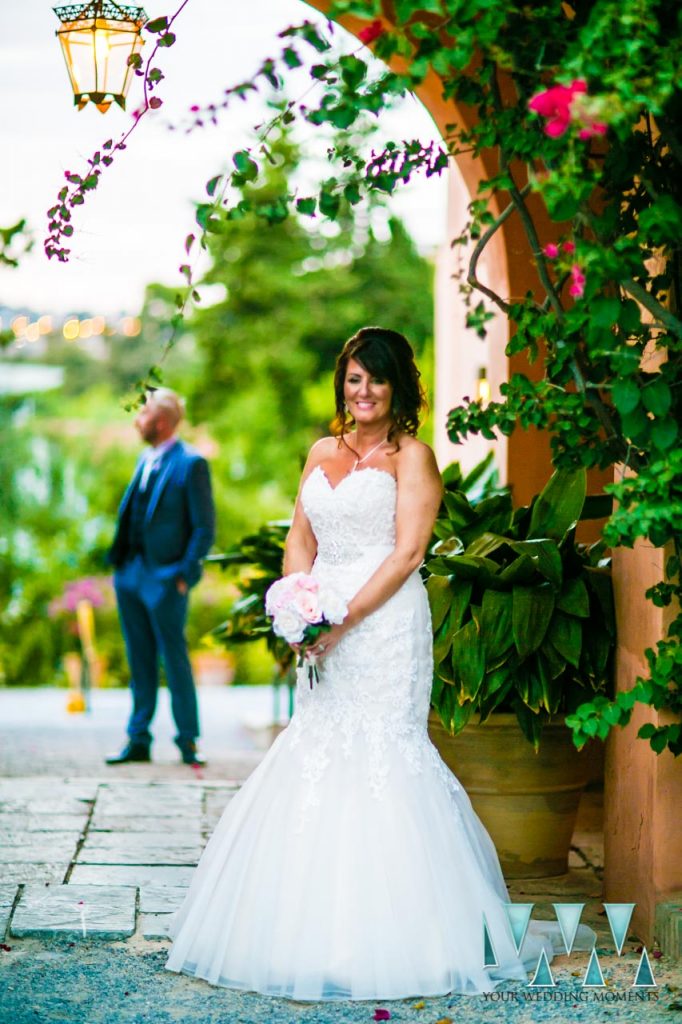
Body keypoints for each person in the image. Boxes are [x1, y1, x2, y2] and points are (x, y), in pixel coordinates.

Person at [164, 327, 594, 998]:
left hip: (385, 625)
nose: (362, 392)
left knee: (384, 755)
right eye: (354, 379)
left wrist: (344, 619)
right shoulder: (320, 451)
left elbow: (407, 553)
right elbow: (300, 539)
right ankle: (304, 929)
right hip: (324, 624)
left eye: (376, 380)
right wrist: (298, 604)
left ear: (400, 389)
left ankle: (409, 933)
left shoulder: (413, 457)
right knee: (317, 750)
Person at [105, 388, 215, 767]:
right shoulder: (144, 458)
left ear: (162, 421)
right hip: (131, 575)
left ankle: (188, 740)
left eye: (144, 413)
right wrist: (121, 568)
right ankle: (138, 739)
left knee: (175, 659)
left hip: (167, 578)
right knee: (139, 659)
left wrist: (183, 576)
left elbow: (204, 528)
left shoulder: (192, 463)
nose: (137, 419)